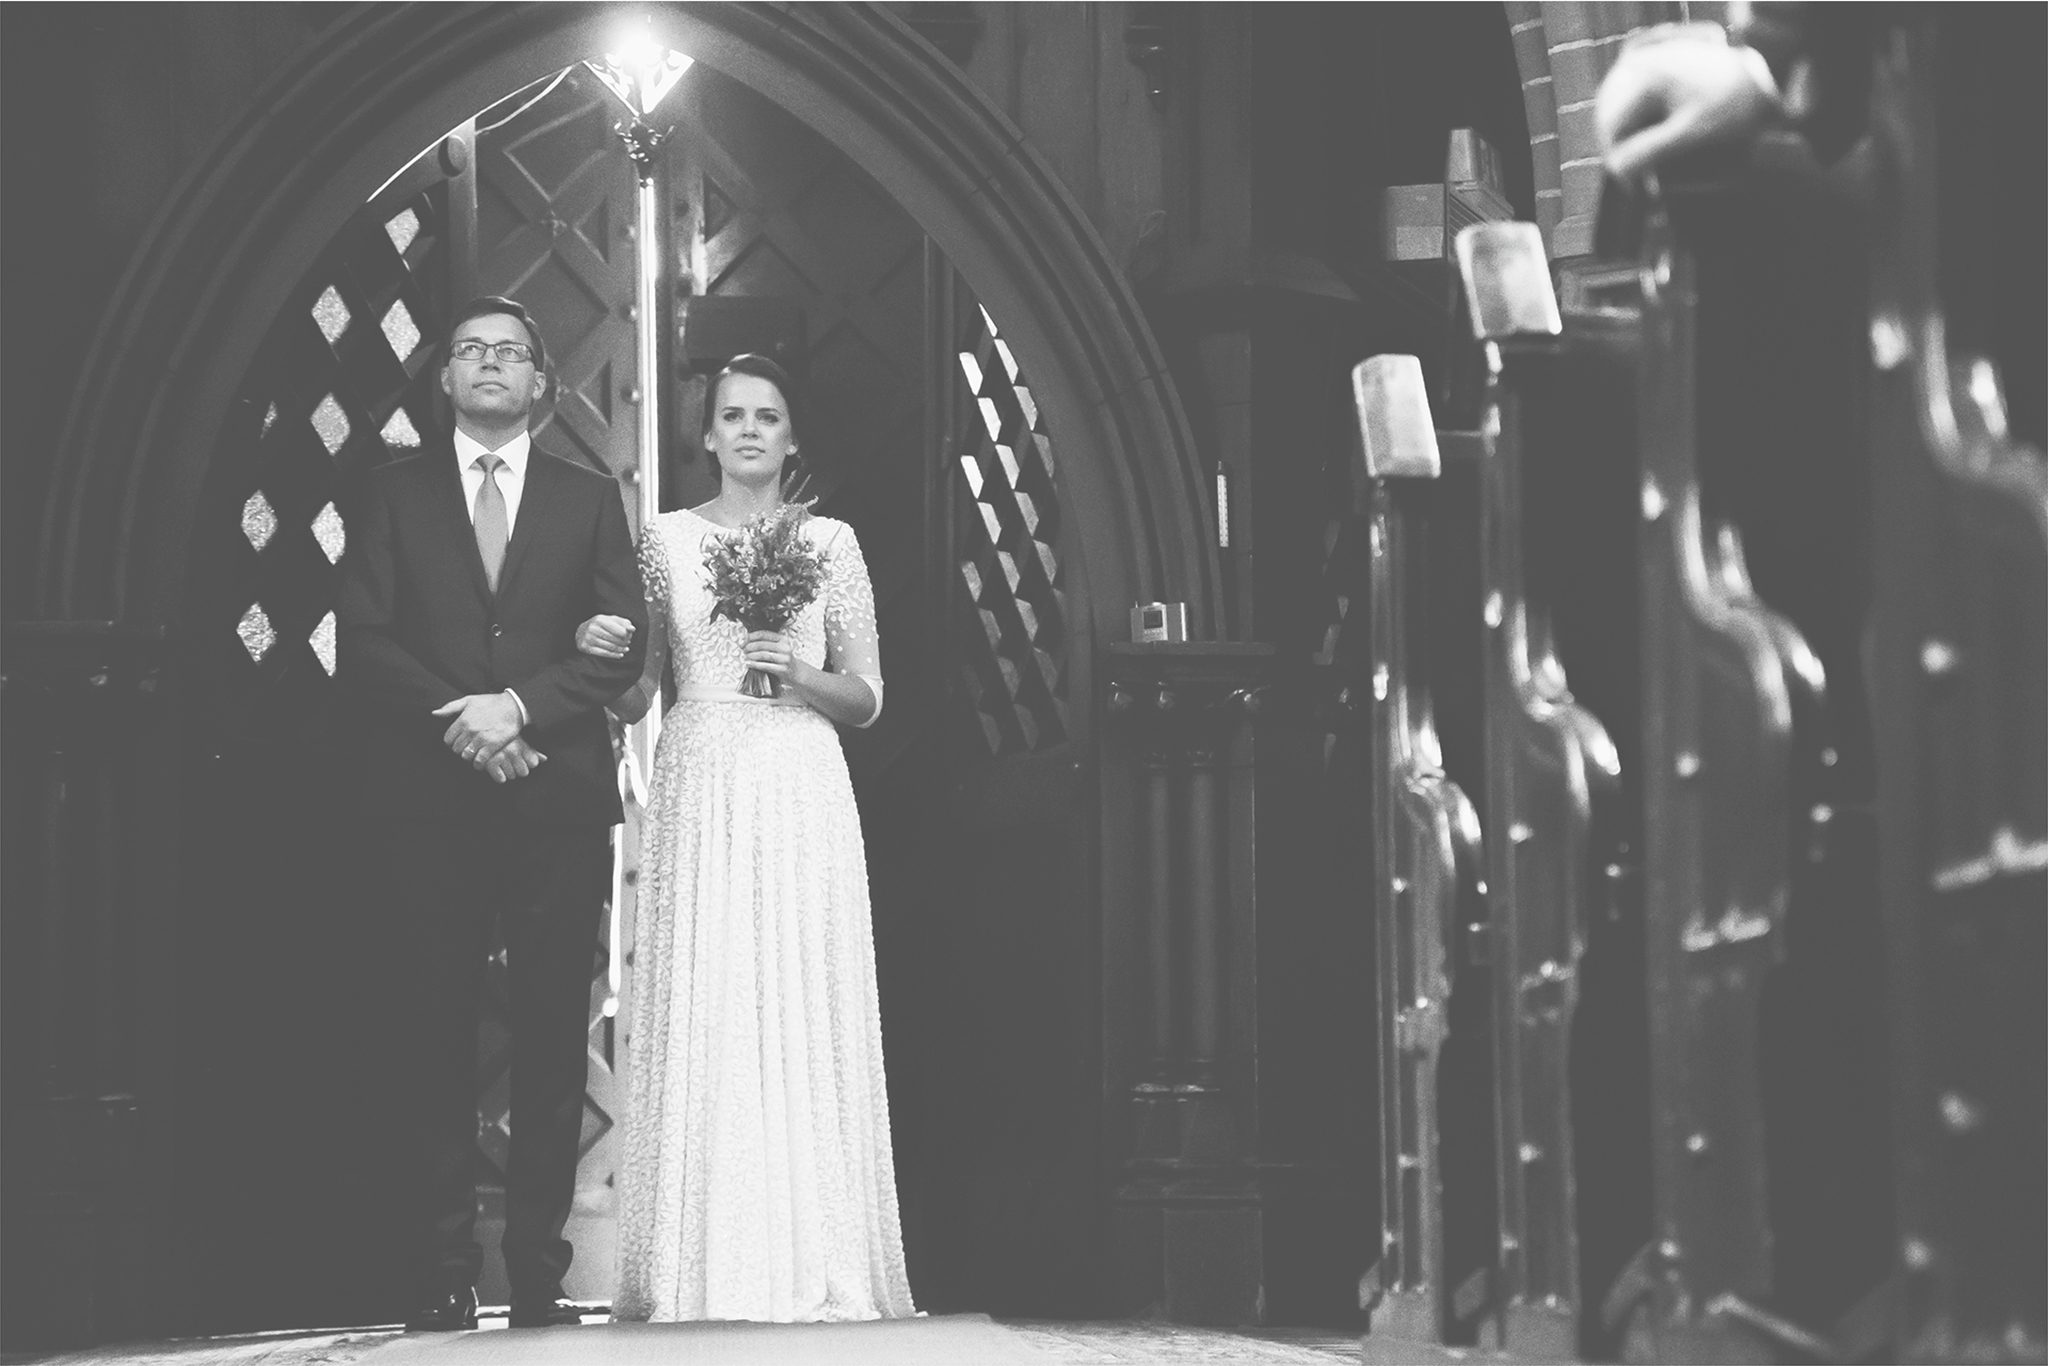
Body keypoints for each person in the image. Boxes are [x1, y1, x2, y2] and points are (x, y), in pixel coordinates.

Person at [582, 353, 917, 1322]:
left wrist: (797, 672)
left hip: (798, 773)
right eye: (731, 416)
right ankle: (701, 1263)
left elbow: (868, 695)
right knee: (713, 989)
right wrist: (597, 657)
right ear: (707, 434)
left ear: (791, 435)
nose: (748, 431)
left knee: (795, 990)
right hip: (701, 769)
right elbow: (642, 690)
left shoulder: (831, 542)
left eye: (767, 416)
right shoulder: (665, 540)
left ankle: (811, 1253)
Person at [335, 296, 648, 1332]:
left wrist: (519, 707)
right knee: (432, 1028)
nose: (488, 364)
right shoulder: (392, 493)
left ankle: (538, 1273)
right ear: (445, 378)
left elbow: (625, 645)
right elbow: (362, 638)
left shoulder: (588, 498)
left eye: (509, 352)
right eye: (470, 350)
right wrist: (465, 721)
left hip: (554, 799)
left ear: (541, 382)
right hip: (426, 804)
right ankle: (440, 1270)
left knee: (556, 1034)